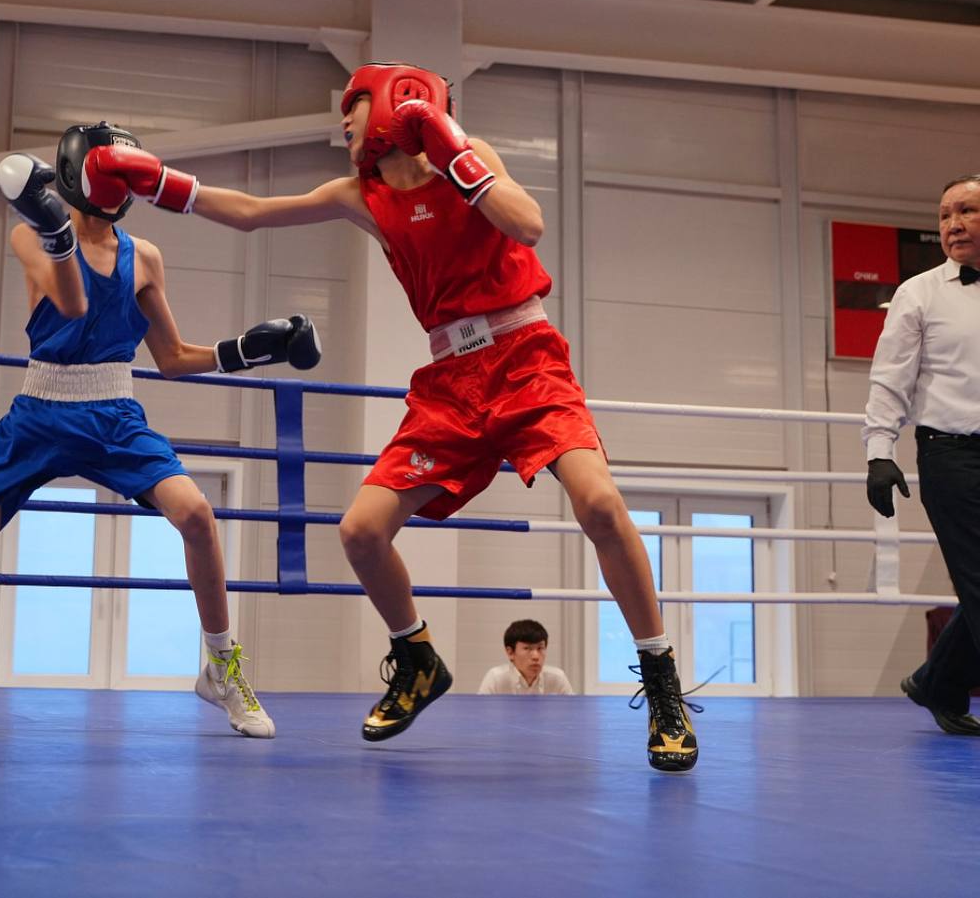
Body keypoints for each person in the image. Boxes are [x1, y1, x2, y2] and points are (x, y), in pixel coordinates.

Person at [74, 63, 699, 772]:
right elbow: (249, 211)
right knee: (362, 531)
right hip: (450, 381)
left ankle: (662, 684)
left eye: (356, 103)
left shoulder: (470, 155)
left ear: (403, 99)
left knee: (602, 504)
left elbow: (528, 224)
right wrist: (153, 180)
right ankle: (417, 658)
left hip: (526, 357)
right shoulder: (362, 196)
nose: (344, 118)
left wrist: (453, 150)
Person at [0, 122, 323, 739]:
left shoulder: (144, 257)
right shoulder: (29, 233)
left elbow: (171, 357)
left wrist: (248, 350)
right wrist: (55, 230)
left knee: (197, 514)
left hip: (113, 414)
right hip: (39, 414)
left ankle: (222, 669)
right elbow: (72, 304)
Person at [863, 172, 980, 737]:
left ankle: (937, 681)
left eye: (967, 211)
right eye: (945, 215)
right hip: (950, 455)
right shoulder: (920, 292)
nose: (953, 224)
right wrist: (878, 451)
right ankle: (939, 681)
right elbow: (890, 378)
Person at [477, 619, 574, 696]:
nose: (536, 656)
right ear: (510, 652)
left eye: (540, 648)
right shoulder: (495, 679)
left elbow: (573, 713)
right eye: (527, 648)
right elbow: (481, 713)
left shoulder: (557, 678)